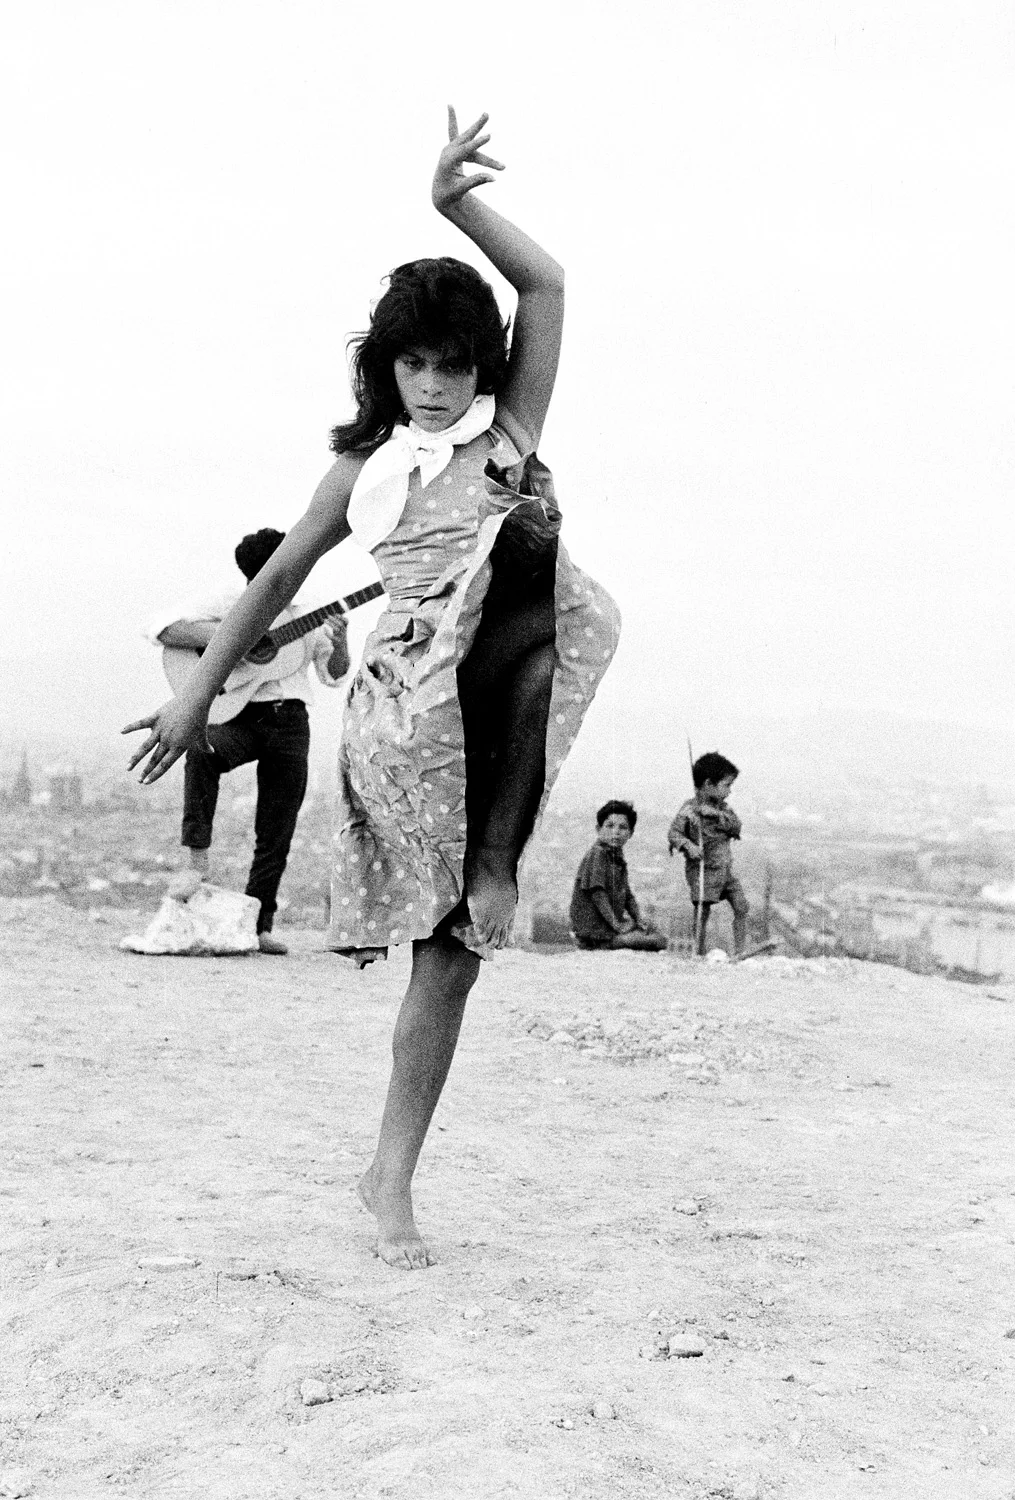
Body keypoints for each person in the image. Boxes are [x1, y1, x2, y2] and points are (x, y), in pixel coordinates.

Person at [124, 109, 620, 1270]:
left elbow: (545, 288)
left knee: (536, 562)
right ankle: (394, 1160)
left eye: (453, 364)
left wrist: (453, 207)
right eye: (415, 363)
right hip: (409, 710)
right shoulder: (364, 470)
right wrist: (198, 699)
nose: (436, 386)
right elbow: (284, 577)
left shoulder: (508, 435)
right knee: (445, 949)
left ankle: (388, 1172)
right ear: (384, 366)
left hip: (497, 699)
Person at [148, 528, 350, 954]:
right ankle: (195, 858)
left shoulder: (308, 611)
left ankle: (259, 926)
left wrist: (341, 640)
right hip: (238, 714)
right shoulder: (231, 601)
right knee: (201, 754)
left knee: (278, 824)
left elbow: (333, 676)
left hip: (291, 720)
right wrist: (233, 639)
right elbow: (164, 630)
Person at [668, 751, 750, 955]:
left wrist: (716, 815)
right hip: (704, 870)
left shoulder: (724, 809)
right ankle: (698, 951)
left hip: (724, 869)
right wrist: (689, 846)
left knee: (741, 907)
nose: (729, 791)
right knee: (701, 913)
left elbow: (736, 827)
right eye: (726, 785)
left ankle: (741, 951)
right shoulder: (688, 810)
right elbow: (674, 834)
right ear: (708, 784)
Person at [570, 800, 668, 951]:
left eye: (622, 827)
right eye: (610, 826)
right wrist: (617, 925)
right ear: (598, 829)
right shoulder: (598, 854)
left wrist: (639, 919)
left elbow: (627, 896)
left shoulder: (616, 857)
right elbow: (598, 894)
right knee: (656, 941)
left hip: (609, 927)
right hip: (596, 934)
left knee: (657, 935)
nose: (616, 832)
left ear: (630, 833)